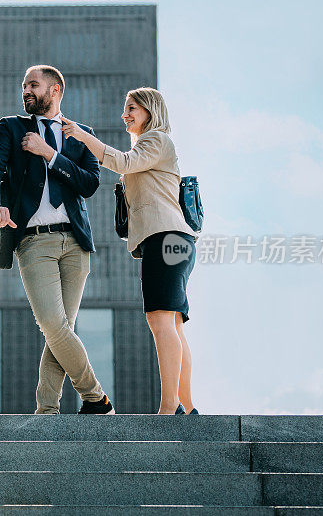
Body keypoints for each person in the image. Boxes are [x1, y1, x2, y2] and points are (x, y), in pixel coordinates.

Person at [0, 65, 115, 415]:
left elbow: (89, 184)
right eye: (24, 85)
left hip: (76, 244)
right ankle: (95, 396)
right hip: (34, 242)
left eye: (33, 85)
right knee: (54, 325)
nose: (26, 90)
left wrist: (48, 153)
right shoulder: (11, 127)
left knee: (60, 331)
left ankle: (47, 410)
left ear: (54, 90)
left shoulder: (81, 134)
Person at [60, 87, 199, 415]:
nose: (125, 114)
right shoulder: (150, 145)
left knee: (161, 320)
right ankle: (186, 407)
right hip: (171, 240)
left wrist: (82, 137)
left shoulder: (157, 140)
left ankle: (170, 408)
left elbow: (122, 161)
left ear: (151, 111)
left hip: (165, 239)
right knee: (171, 322)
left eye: (132, 108)